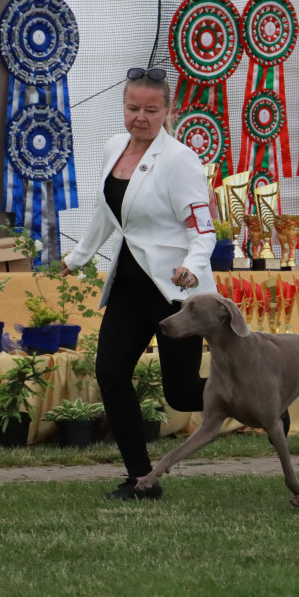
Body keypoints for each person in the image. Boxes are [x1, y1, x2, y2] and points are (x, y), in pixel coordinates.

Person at [61, 66, 217, 500]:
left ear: (169, 111)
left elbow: (202, 228)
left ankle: (261, 402)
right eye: (133, 108)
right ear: (124, 107)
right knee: (110, 374)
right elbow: (107, 211)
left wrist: (193, 264)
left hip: (175, 292)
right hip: (130, 283)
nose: (141, 118)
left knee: (183, 392)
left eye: (151, 110)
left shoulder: (181, 160)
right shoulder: (114, 148)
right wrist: (77, 257)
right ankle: (141, 479)